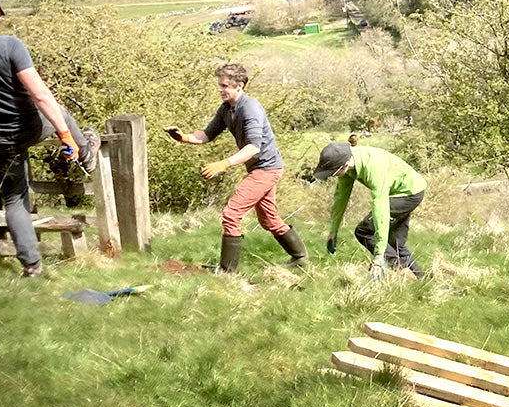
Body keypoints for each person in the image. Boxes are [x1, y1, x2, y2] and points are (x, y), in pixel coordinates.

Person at [0, 0, 98, 277]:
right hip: (26, 127)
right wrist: (65, 137)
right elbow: (42, 96)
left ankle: (32, 267)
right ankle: (86, 153)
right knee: (60, 111)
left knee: (14, 199)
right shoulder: (9, 45)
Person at [165, 63, 307, 273]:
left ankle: (227, 271)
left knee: (231, 214)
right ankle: (300, 257)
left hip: (266, 169)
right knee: (268, 220)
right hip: (260, 169)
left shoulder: (250, 108)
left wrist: (224, 163)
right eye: (219, 85)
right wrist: (184, 137)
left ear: (239, 86)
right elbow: (207, 134)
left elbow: (252, 147)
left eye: (224, 86)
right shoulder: (226, 109)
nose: (220, 89)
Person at [312, 141, 427, 280]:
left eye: (333, 173)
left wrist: (379, 254)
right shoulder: (349, 166)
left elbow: (380, 206)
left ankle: (400, 271)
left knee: (364, 231)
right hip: (404, 191)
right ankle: (421, 280)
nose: (333, 176)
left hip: (409, 193)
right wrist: (333, 230)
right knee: (395, 243)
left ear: (345, 164)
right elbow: (340, 198)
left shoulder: (373, 166)